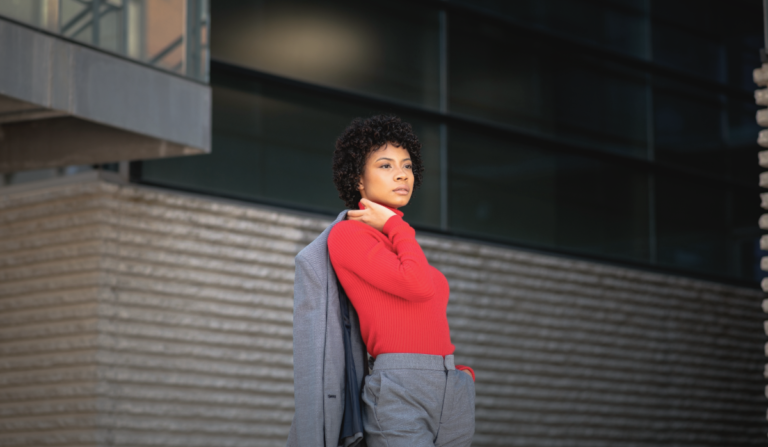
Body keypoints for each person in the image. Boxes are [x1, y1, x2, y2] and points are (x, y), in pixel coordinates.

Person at [328, 115, 476, 447]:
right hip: (401, 385)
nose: (401, 174)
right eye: (385, 165)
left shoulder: (398, 240)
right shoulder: (348, 235)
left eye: (407, 165)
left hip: (450, 385)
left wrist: (458, 379)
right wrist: (396, 225)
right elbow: (417, 286)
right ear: (358, 179)